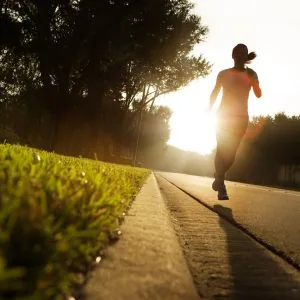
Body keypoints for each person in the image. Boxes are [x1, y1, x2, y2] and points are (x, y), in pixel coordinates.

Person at [209, 43, 262, 200]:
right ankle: (221, 186)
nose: (240, 56)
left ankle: (219, 176)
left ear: (246, 58)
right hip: (223, 118)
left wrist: (255, 82)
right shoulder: (223, 74)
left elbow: (258, 94)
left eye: (243, 54)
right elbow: (215, 92)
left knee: (231, 154)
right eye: (237, 53)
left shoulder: (251, 73)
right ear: (233, 56)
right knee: (221, 150)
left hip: (241, 119)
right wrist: (209, 108)